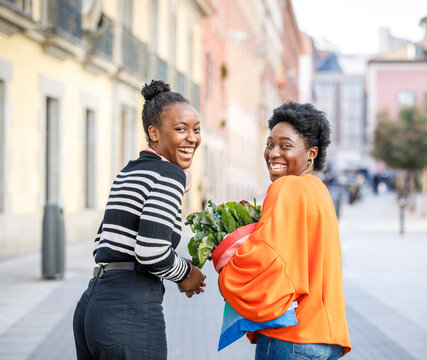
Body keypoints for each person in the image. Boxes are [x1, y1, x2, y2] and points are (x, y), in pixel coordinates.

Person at [73, 80, 206, 359]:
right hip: (129, 310)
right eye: (180, 129)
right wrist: (187, 274)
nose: (192, 138)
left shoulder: (129, 171)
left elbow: (102, 241)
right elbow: (151, 252)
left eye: (196, 129)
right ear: (154, 133)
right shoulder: (169, 174)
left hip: (94, 305)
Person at [218, 102, 351, 359]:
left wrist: (225, 261)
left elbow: (266, 260)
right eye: (269, 144)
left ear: (311, 153)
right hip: (325, 338)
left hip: (292, 338)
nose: (273, 153)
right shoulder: (319, 191)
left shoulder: (287, 187)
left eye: (285, 145)